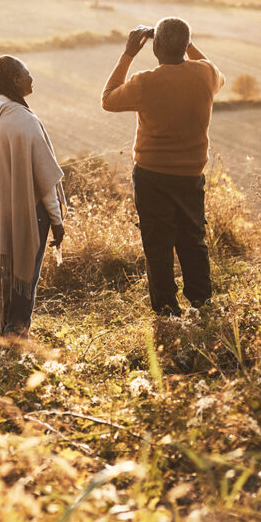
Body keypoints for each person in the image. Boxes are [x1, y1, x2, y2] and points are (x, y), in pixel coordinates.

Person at [100, 17, 226, 316]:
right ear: (186, 45)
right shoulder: (206, 74)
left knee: (157, 245)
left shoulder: (145, 81)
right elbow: (213, 69)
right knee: (193, 241)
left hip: (152, 176)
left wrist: (129, 53)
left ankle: (167, 311)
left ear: (153, 47)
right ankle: (202, 303)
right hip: (191, 175)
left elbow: (108, 99)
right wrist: (187, 42)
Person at [0, 55, 66, 337]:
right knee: (24, 274)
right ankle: (16, 331)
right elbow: (45, 181)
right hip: (31, 212)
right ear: (16, 81)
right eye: (27, 74)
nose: (32, 78)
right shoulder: (27, 121)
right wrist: (57, 220)